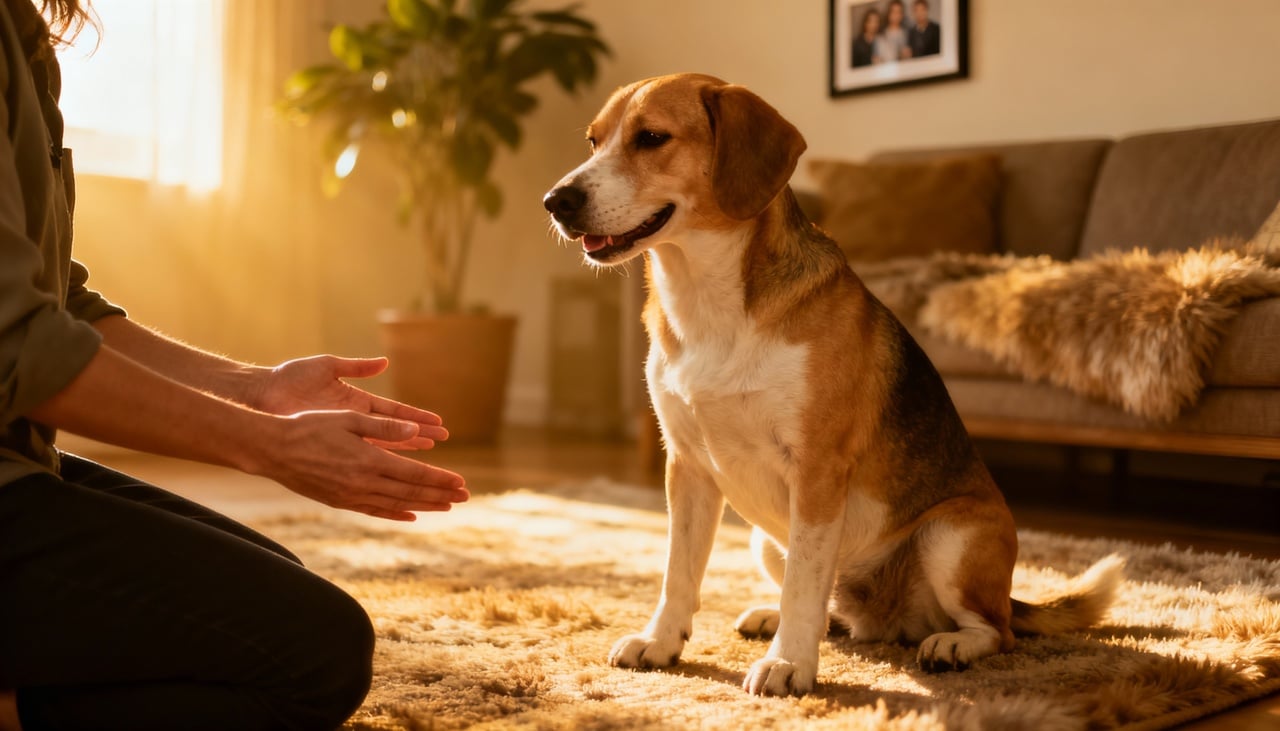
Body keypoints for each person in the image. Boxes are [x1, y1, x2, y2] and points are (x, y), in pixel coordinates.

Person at [0, 1, 470, 729]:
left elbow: (61, 304)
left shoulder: (21, 34)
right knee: (316, 654)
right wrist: (271, 446)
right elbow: (17, 344)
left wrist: (258, 389)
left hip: (17, 461)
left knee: (275, 588)